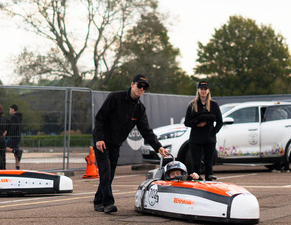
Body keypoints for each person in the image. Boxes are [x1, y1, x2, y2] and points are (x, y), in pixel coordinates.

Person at [92, 74, 169, 213]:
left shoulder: (139, 109)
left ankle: (98, 201)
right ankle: (108, 203)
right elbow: (100, 118)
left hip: (116, 143)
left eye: (144, 88)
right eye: (139, 86)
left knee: (110, 174)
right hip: (102, 140)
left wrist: (159, 147)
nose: (141, 89)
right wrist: (99, 138)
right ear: (132, 84)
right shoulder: (115, 97)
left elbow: (146, 131)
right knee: (105, 171)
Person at [184, 80, 223, 181]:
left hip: (209, 140)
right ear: (198, 90)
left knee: (208, 164)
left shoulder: (214, 105)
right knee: (196, 164)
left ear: (208, 90)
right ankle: (196, 186)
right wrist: (197, 124)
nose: (203, 91)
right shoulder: (192, 104)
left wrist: (213, 132)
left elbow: (220, 121)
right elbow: (187, 122)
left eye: (205, 89)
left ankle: (209, 187)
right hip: (195, 139)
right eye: (201, 89)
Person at [5, 104, 23, 169]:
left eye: (10, 109)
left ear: (13, 109)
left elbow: (12, 127)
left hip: (13, 137)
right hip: (18, 137)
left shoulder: (13, 117)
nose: (9, 111)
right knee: (17, 155)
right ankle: (17, 167)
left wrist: (7, 135)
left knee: (2, 147)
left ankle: (14, 151)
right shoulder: (19, 117)